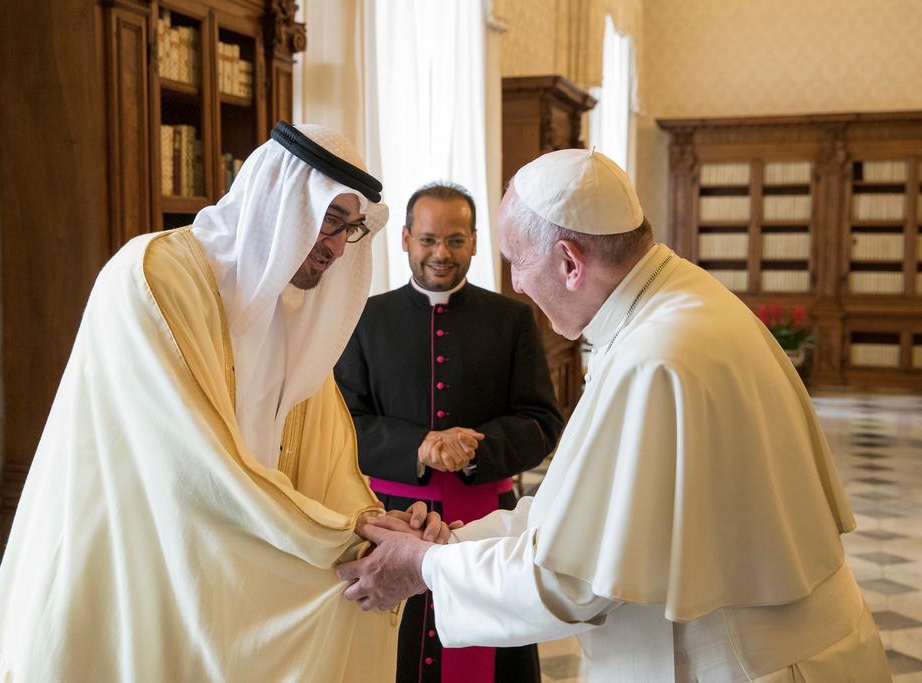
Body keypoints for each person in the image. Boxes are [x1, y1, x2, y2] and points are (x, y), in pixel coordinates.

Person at [337, 149, 892, 682]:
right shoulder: (681, 303)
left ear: (570, 262)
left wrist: (423, 567)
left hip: (750, 664)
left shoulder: (653, 357)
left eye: (519, 262)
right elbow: (595, 516)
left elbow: (570, 582)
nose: (518, 285)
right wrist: (453, 542)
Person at [0, 122, 435, 682]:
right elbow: (197, 463)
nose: (336, 246)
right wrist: (341, 536)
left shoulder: (292, 318)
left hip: (231, 562)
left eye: (351, 228)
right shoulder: (151, 278)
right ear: (276, 199)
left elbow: (325, 455)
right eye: (330, 218)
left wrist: (371, 523)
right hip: (129, 564)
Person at [335, 182, 563, 683]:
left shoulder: (512, 319)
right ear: (405, 239)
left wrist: (474, 449)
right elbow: (345, 424)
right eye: (428, 239)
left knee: (492, 653)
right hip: (393, 521)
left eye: (455, 240)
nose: (441, 253)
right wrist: (419, 446)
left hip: (485, 521)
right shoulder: (366, 319)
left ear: (476, 242)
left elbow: (541, 423)